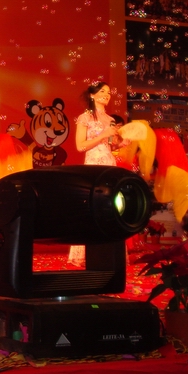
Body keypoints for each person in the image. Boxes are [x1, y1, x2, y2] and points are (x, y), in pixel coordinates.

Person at [69, 81, 128, 264]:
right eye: (102, 91)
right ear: (92, 95)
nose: (106, 95)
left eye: (109, 92)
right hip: (93, 165)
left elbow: (111, 144)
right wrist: (103, 135)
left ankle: (109, 250)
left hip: (109, 164)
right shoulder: (84, 118)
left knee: (110, 207)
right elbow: (80, 146)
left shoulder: (110, 120)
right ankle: (86, 252)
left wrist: (122, 142)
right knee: (92, 207)